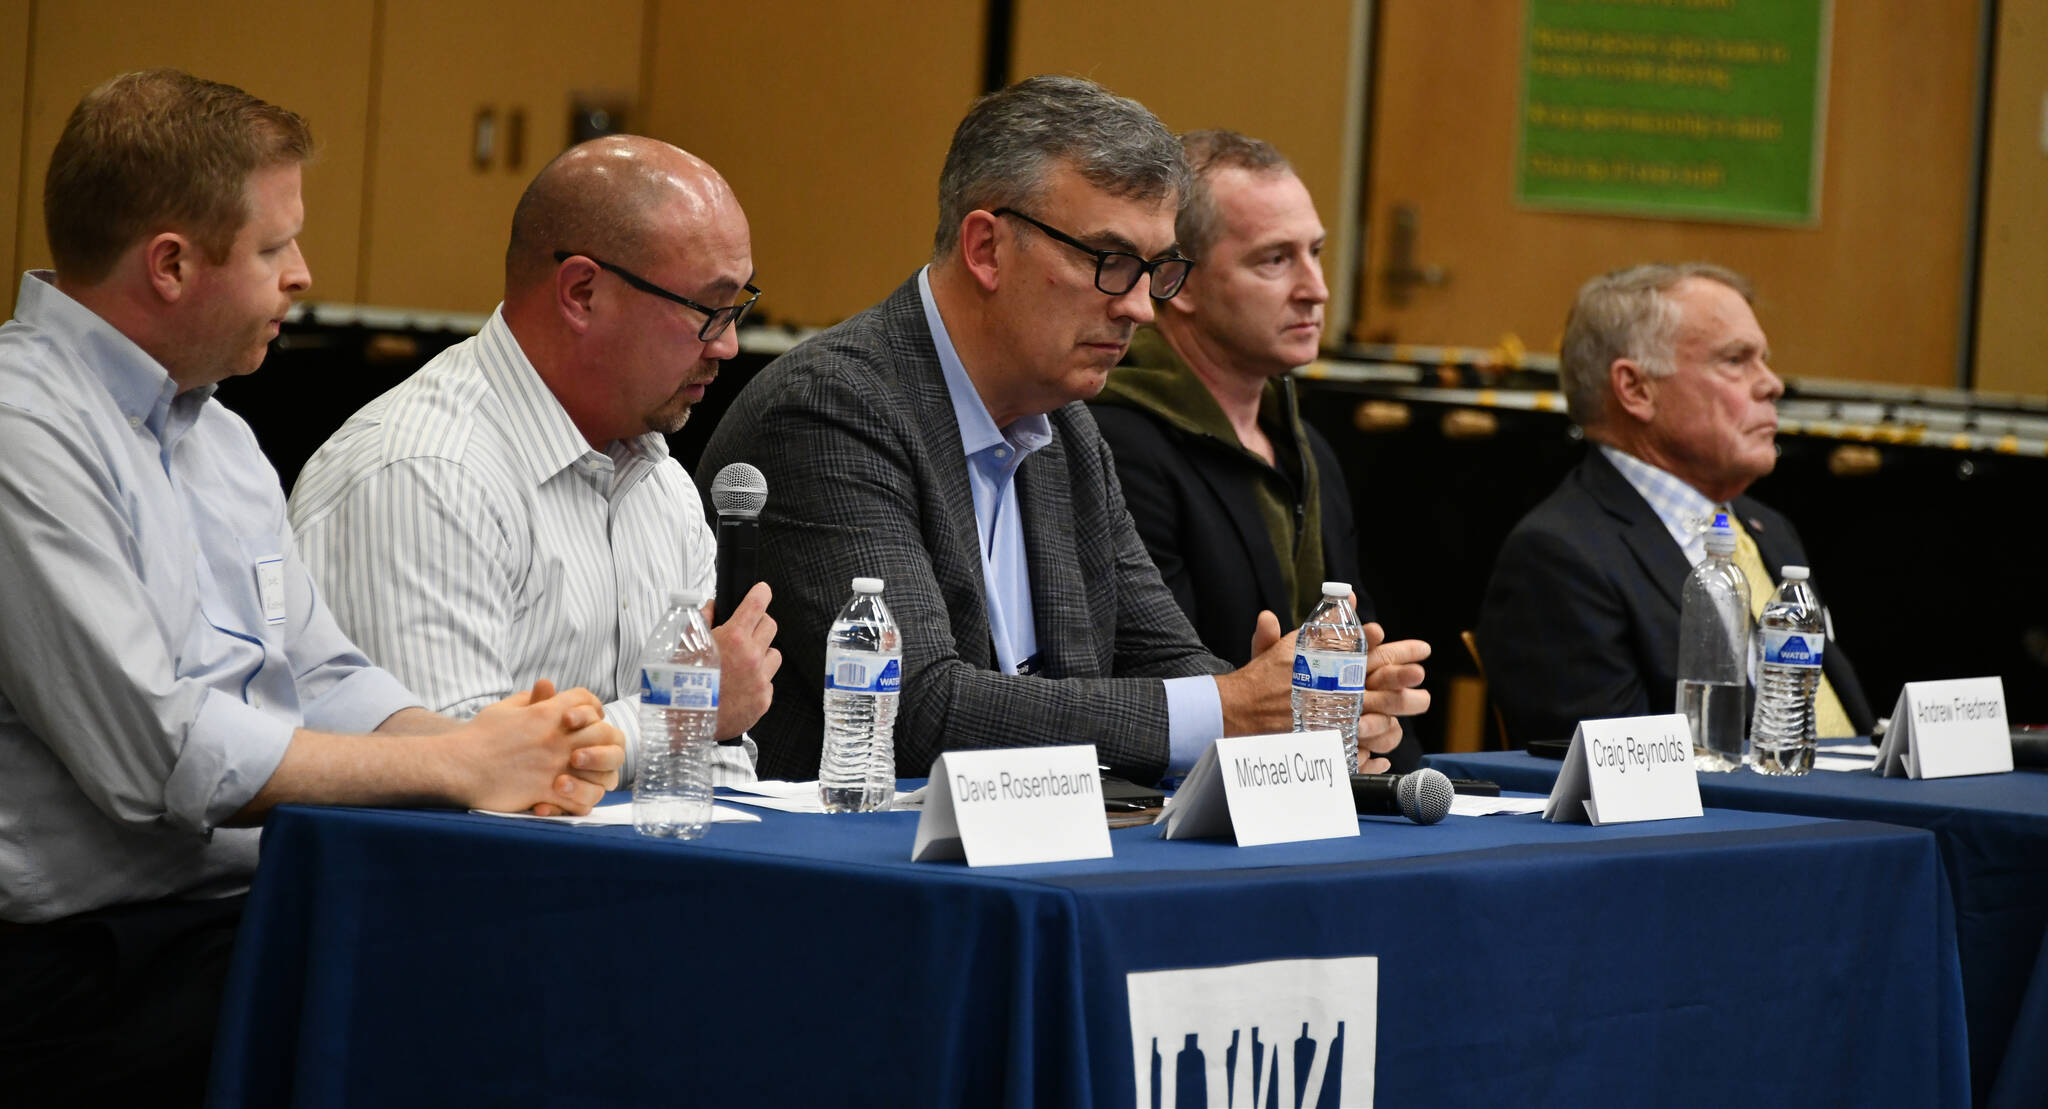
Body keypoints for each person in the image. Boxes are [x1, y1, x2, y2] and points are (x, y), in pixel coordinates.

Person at [0, 70, 622, 1104]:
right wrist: (462, 763)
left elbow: (320, 671)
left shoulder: (224, 438)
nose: (304, 274)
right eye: (274, 246)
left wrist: (520, 745)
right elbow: (157, 756)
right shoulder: (25, 430)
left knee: (557, 986)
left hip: (241, 919)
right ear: (169, 264)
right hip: (90, 973)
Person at [698, 75, 1429, 784]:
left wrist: (1306, 714)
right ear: (986, 248)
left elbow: (1164, 659)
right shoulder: (833, 408)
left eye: (1156, 269)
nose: (1142, 308)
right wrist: (1234, 705)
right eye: (1112, 262)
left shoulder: (1069, 431)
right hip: (851, 877)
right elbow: (916, 707)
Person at [290, 136, 779, 787]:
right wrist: (685, 708)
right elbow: (453, 782)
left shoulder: (664, 486)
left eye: (738, 307)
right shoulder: (425, 472)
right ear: (581, 292)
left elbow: (713, 762)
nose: (728, 345)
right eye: (709, 310)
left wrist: (698, 719)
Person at [1088, 129, 1421, 772]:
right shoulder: (1116, 442)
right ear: (1177, 283)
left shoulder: (1307, 448)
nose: (1316, 289)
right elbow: (1163, 678)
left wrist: (1379, 728)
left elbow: (1363, 671)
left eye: (1316, 252)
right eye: (1274, 260)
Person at [1477, 263, 1874, 744]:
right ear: (1636, 389)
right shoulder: (1560, 557)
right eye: (1735, 361)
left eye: (1764, 359)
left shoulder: (1768, 528)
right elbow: (1617, 784)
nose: (1772, 384)